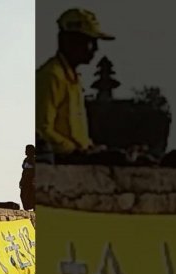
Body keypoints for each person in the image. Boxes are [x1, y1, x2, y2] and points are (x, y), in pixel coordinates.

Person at [37, 9, 125, 165]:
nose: (95, 49)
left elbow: (72, 129)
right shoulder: (52, 76)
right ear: (69, 41)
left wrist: (89, 146)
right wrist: (75, 150)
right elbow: (41, 130)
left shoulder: (72, 78)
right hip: (60, 162)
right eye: (90, 42)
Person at [20, 145, 35, 210]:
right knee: (23, 195)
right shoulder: (25, 160)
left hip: (31, 181)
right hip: (25, 180)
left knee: (31, 196)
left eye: (27, 150)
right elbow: (24, 171)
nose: (25, 151)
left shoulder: (34, 160)